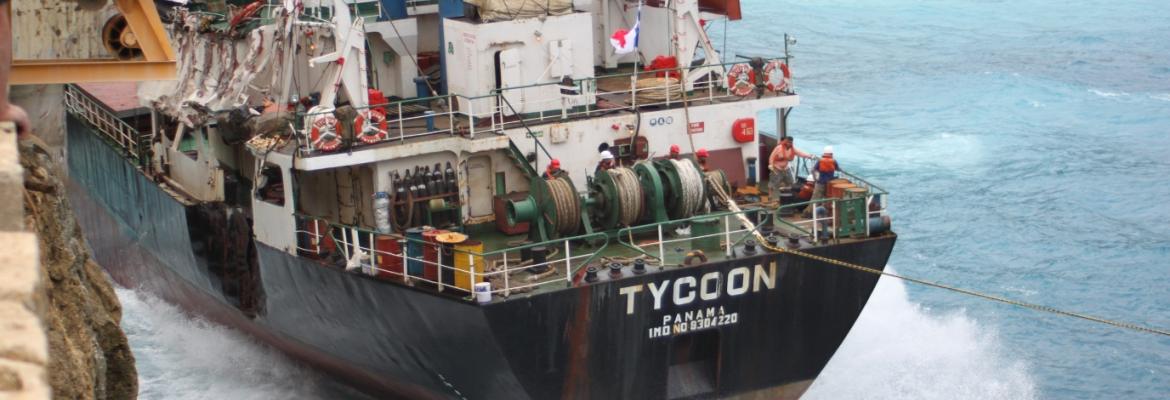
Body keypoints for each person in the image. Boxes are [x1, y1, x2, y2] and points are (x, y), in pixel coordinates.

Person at [768, 136, 814, 200]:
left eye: (791, 142)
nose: (789, 144)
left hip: (786, 168)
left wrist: (809, 156)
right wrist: (771, 165)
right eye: (788, 142)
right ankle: (770, 196)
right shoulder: (778, 148)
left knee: (791, 182)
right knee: (773, 183)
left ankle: (788, 196)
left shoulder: (792, 149)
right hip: (776, 168)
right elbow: (771, 157)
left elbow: (800, 153)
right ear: (785, 142)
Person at [804, 146, 842, 216]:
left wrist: (815, 178)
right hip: (829, 184)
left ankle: (808, 213)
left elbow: (813, 170)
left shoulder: (820, 161)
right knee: (828, 198)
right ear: (831, 154)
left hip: (820, 183)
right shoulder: (834, 161)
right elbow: (838, 169)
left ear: (824, 153)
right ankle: (826, 213)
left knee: (815, 199)